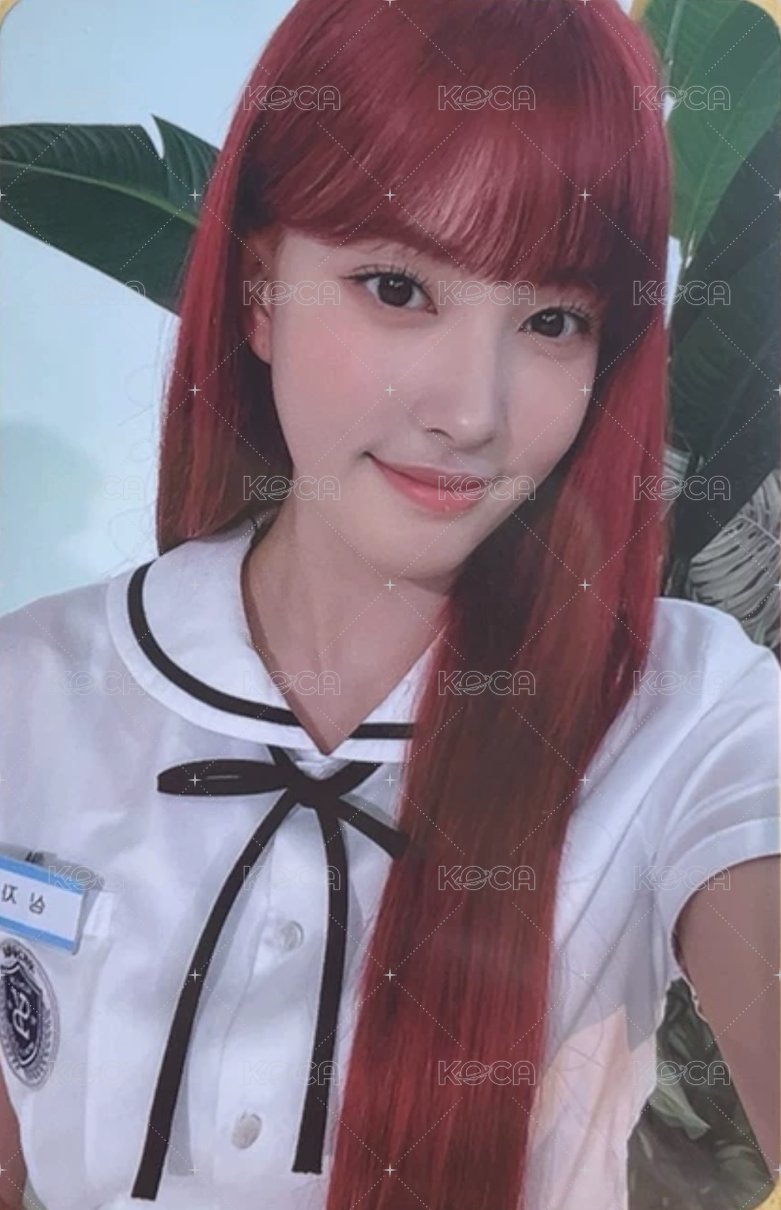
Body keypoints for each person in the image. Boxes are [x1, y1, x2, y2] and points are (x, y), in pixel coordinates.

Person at [0, 0, 778, 1208]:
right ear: (260, 291)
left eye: (553, 320)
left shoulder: (688, 711)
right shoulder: (29, 689)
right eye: (397, 287)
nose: (471, 412)